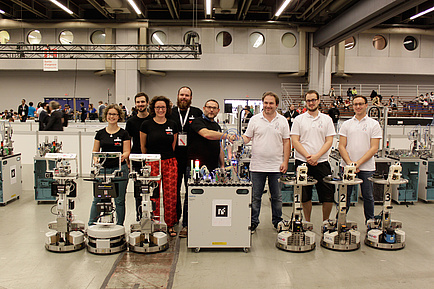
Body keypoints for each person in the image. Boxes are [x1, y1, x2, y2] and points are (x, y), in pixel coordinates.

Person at [242, 92, 290, 233]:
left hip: (276, 166)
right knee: (255, 197)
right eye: (266, 103)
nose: (268, 106)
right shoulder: (255, 119)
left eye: (271, 103)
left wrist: (285, 162)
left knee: (277, 197)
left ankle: (277, 222)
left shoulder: (282, 121)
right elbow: (247, 137)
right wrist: (238, 139)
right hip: (257, 165)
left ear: (276, 104)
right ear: (262, 103)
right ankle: (253, 222)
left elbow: (287, 142)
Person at [180, 99, 229, 237]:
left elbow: (219, 147)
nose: (211, 110)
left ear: (218, 111)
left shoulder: (217, 126)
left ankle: (204, 222)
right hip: (195, 167)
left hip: (213, 168)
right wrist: (227, 135)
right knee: (192, 196)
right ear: (204, 108)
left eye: (214, 108)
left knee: (209, 197)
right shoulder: (197, 121)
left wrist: (223, 165)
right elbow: (206, 134)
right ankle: (187, 226)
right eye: (209, 107)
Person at [290, 90, 336, 222]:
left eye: (313, 100)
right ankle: (307, 223)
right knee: (305, 195)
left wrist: (316, 156)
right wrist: (308, 156)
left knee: (328, 195)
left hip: (322, 162)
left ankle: (325, 223)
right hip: (302, 162)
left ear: (318, 101)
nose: (311, 103)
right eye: (308, 100)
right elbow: (295, 140)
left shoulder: (327, 120)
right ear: (306, 102)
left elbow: (329, 141)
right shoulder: (299, 119)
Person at [339, 95, 382, 222]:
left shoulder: (374, 124)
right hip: (347, 167)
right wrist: (350, 164)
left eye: (360, 104)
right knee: (344, 196)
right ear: (352, 106)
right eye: (355, 104)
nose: (358, 106)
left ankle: (370, 222)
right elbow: (341, 146)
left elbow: (374, 148)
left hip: (367, 167)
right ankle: (339, 221)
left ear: (366, 105)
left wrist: (357, 163)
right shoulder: (346, 124)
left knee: (368, 196)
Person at [140, 96, 178, 237]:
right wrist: (149, 160)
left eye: (163, 107)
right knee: (153, 195)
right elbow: (143, 146)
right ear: (153, 109)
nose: (160, 110)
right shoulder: (146, 124)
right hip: (152, 162)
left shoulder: (172, 124)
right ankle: (154, 223)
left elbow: (173, 146)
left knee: (171, 195)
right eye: (157, 107)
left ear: (167, 109)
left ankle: (170, 225)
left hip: (169, 162)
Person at [88, 104, 131, 226]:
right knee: (97, 198)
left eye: (115, 114)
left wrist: (123, 156)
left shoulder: (124, 134)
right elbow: (95, 151)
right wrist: (96, 159)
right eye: (110, 114)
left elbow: (127, 151)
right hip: (103, 170)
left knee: (119, 200)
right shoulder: (100, 133)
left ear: (119, 116)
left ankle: (119, 225)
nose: (112, 117)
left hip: (119, 169)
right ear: (106, 116)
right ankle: (91, 224)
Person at [169, 86, 203, 233]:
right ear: (177, 96)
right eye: (182, 95)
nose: (184, 97)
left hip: (192, 158)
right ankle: (175, 218)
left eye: (187, 95)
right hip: (174, 158)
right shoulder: (170, 112)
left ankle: (188, 221)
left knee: (191, 190)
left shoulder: (197, 113)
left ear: (191, 98)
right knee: (174, 190)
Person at [125, 92, 152, 221]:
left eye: (143, 102)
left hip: (151, 159)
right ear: (135, 104)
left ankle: (151, 216)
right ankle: (139, 217)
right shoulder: (131, 122)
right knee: (138, 190)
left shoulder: (153, 119)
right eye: (138, 102)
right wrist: (128, 159)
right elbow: (127, 141)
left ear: (147, 103)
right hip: (136, 159)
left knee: (152, 189)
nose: (140, 104)